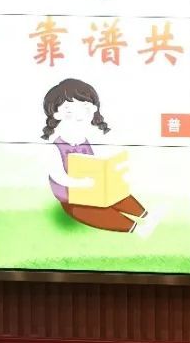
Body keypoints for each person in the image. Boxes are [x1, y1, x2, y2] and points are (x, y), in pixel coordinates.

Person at [41, 78, 160, 237]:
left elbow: (97, 164)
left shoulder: (86, 140)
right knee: (87, 211)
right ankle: (136, 228)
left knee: (117, 195)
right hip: (71, 197)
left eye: (85, 108)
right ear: (56, 113)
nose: (79, 115)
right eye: (69, 110)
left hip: (93, 189)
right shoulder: (55, 148)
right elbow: (58, 176)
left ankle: (146, 216)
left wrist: (113, 175)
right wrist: (80, 183)